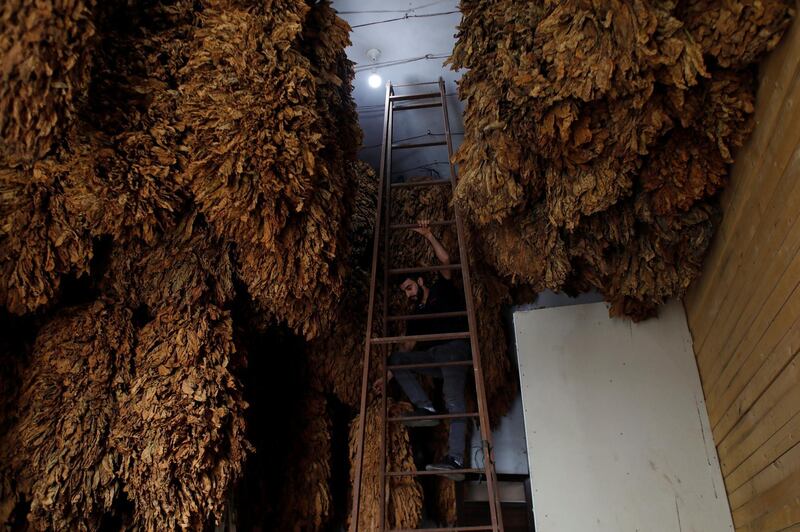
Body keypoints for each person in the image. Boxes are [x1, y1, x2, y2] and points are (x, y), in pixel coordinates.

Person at [382, 219, 471, 479]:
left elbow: (445, 262)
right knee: (397, 357)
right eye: (404, 291)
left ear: (420, 281)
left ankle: (455, 459)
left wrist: (429, 235)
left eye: (410, 288)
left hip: (455, 350)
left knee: (454, 400)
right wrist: (387, 374)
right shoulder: (415, 316)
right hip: (435, 358)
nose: (408, 294)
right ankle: (425, 407)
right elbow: (407, 349)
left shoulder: (441, 289)